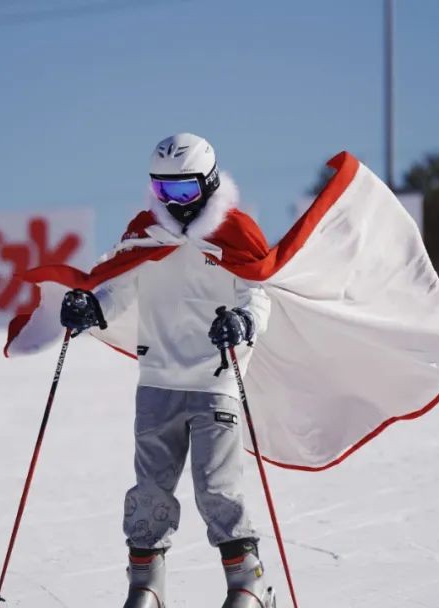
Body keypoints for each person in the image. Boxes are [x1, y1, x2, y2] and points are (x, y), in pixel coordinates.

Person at [59, 133, 276, 608]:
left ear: (209, 183)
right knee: (150, 491)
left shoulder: (235, 232)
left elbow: (257, 294)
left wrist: (241, 322)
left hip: (215, 381)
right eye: (163, 189)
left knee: (216, 488)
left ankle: (249, 582)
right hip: (157, 379)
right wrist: (91, 308)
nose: (174, 203)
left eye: (184, 190)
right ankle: (146, 584)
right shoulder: (146, 233)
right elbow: (119, 287)